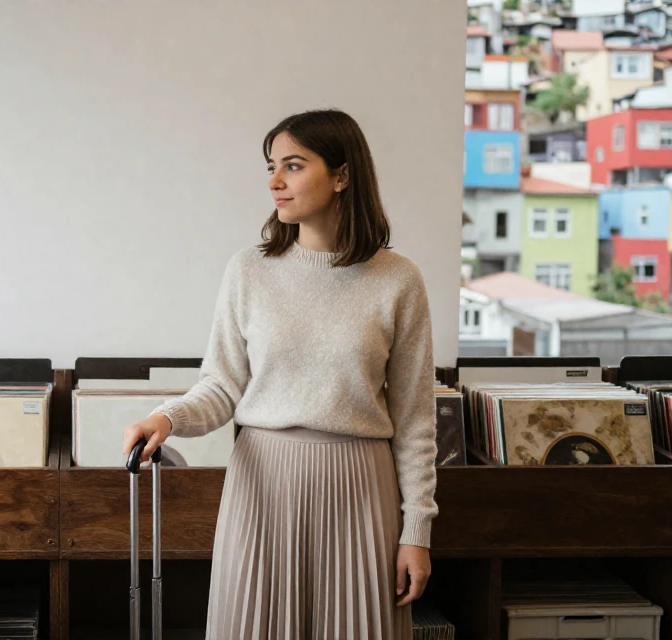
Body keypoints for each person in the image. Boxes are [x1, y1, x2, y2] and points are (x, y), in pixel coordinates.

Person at [122, 108, 438, 639]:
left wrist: (417, 532)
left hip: (360, 487)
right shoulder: (249, 270)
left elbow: (415, 421)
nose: (275, 182)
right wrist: (166, 418)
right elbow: (222, 385)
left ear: (342, 175)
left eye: (293, 165)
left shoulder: (398, 279)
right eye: (272, 167)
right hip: (263, 483)